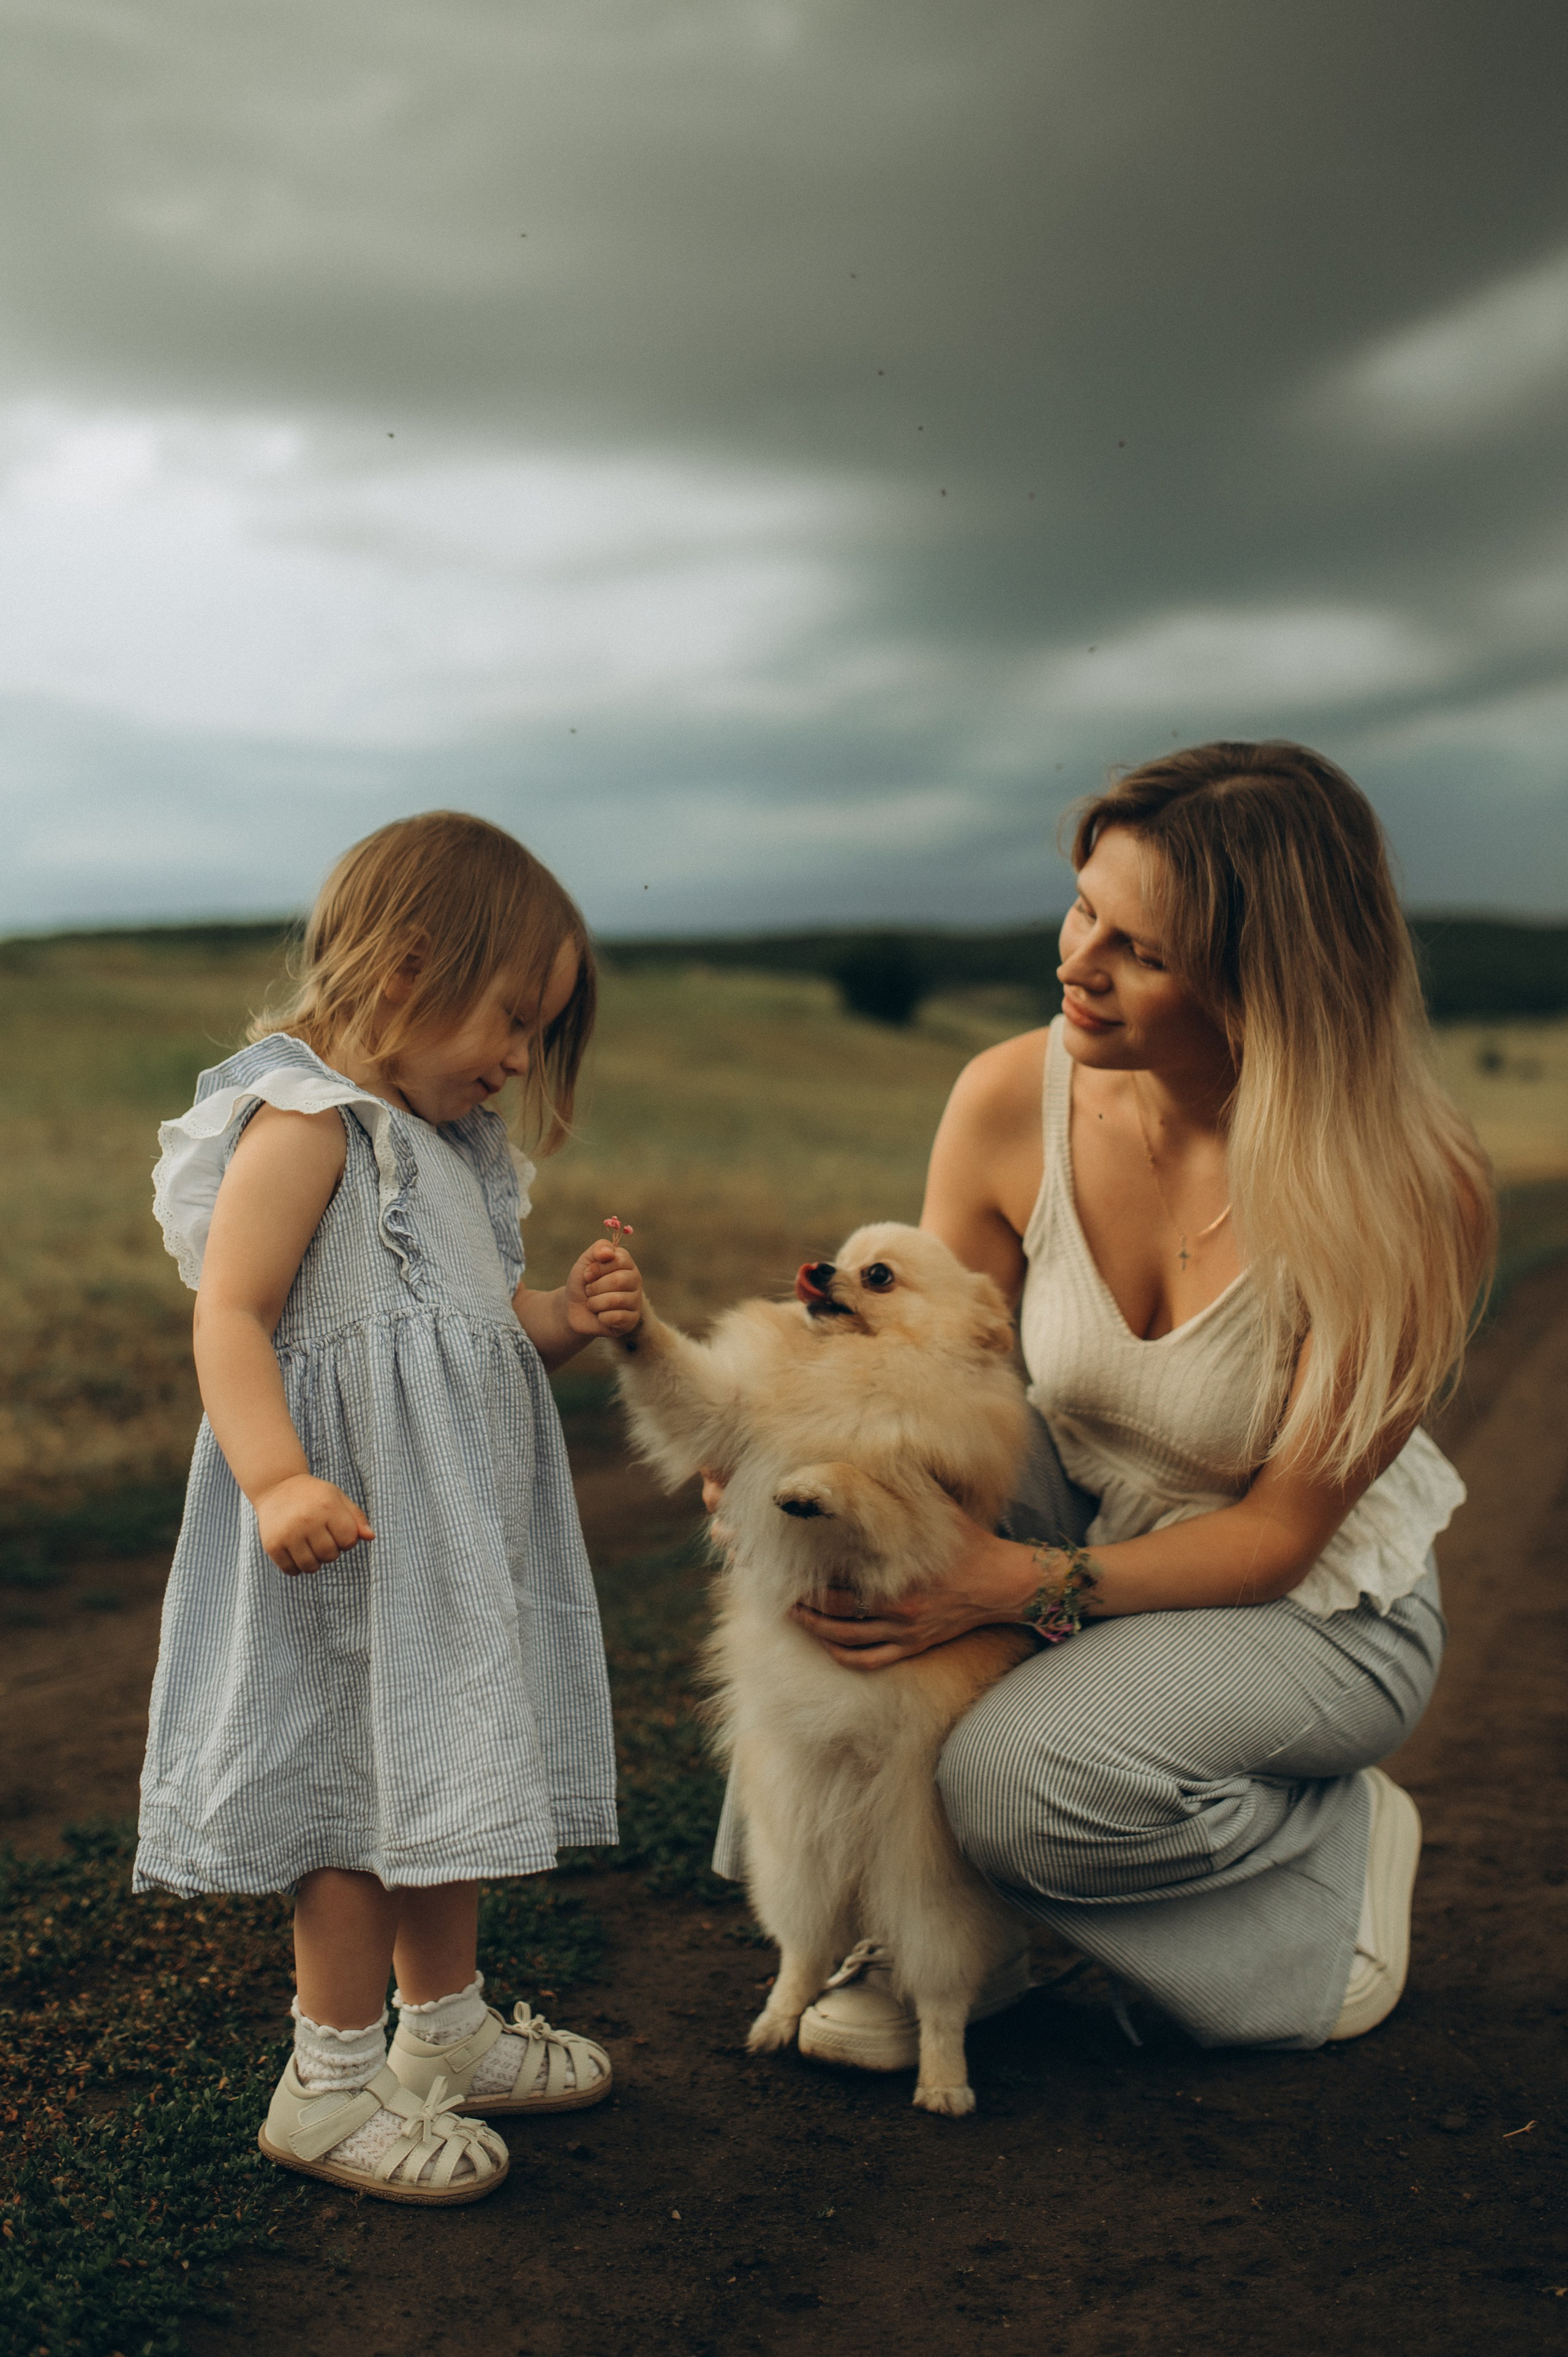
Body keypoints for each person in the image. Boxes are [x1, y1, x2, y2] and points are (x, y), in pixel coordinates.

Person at [724, 741, 1494, 2062]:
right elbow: (929, 1365)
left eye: (1139, 949)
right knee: (824, 1585)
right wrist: (786, 1443)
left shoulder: (1405, 1191)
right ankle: (933, 1927)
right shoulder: (1005, 1098)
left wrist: (1006, 1585)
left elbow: (1274, 1539)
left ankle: (1319, 1852)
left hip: (1300, 1605)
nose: (1076, 960)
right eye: (1084, 906)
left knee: (1016, 1789)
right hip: (1074, 1508)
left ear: (1266, 984)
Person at [138, 812, 643, 2204]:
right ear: (411, 964)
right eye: (516, 1016)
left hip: (440, 1550)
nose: (521, 1056)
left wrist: (561, 1316)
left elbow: (474, 1334)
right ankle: (328, 2080)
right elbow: (231, 1315)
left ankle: (445, 2030)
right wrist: (277, 1474)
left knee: (440, 1775)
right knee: (354, 1802)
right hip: (337, 1537)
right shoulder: (309, 1126)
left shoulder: (456, 1152)